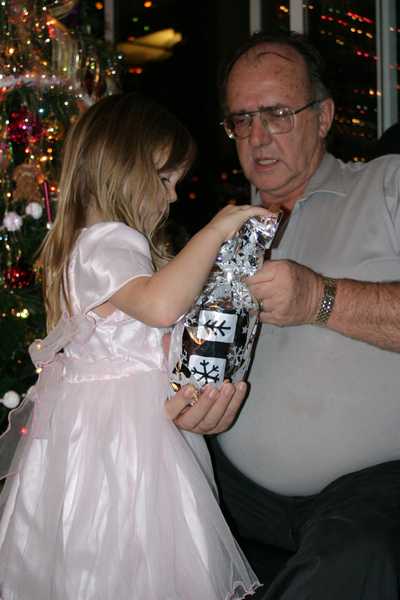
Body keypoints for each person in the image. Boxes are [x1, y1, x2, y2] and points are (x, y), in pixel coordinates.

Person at [0, 92, 271, 599]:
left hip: (110, 423)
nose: (173, 197)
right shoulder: (109, 241)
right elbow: (161, 306)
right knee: (133, 554)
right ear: (124, 168)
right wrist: (214, 231)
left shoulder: (88, 243)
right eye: (165, 180)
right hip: (124, 436)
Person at [167, 30, 400, 599]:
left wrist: (320, 299)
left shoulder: (387, 185)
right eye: (241, 119)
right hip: (236, 487)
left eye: (276, 113)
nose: (257, 136)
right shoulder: (220, 235)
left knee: (357, 555)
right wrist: (189, 409)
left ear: (323, 117)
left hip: (373, 486)